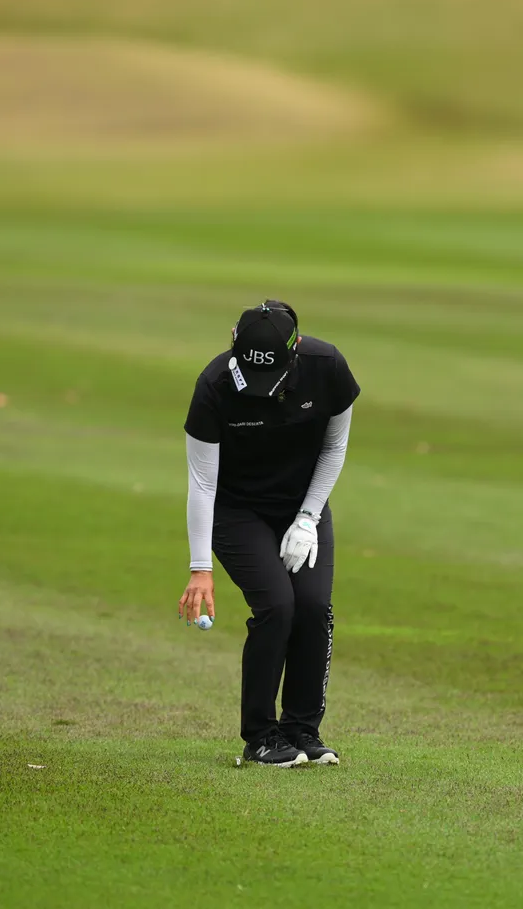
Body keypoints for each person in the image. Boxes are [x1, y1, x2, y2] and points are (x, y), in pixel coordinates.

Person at [179, 300, 359, 767]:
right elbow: (202, 483)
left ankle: (302, 729)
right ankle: (260, 737)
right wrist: (200, 568)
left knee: (313, 606)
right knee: (277, 606)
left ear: (294, 353)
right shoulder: (214, 386)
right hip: (235, 511)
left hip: (302, 504)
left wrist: (308, 517)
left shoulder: (327, 367)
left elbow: (335, 446)